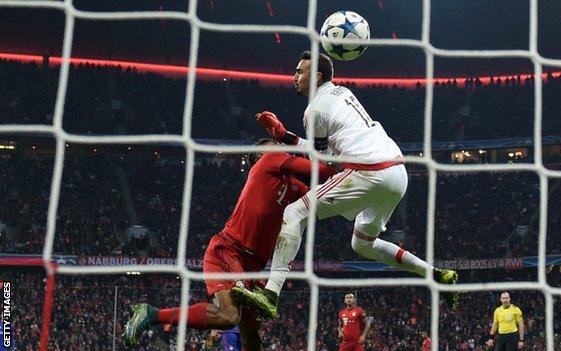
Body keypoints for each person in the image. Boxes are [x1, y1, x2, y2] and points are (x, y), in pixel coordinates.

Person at [232, 50, 459, 318]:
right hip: (397, 172)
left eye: (299, 71)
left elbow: (323, 164)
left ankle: (271, 293)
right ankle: (435, 275)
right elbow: (328, 153)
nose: (294, 76)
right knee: (362, 244)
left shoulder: (314, 110)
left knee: (294, 213)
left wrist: (285, 141)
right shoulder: (342, 93)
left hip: (368, 172)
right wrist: (285, 136)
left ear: (316, 75)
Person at [122, 138, 336, 349]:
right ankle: (153, 314)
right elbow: (323, 171)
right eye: (274, 145)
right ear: (260, 157)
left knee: (251, 334)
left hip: (252, 266)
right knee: (229, 316)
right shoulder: (269, 161)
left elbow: (323, 188)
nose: (280, 147)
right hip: (229, 250)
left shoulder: (292, 186)